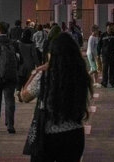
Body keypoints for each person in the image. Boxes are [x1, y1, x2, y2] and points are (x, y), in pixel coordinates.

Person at [21, 32, 93, 161]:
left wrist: (35, 72)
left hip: (48, 136)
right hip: (74, 134)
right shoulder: (80, 74)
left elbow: (25, 96)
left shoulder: (45, 75)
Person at [17, 29, 40, 102]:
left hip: (21, 64)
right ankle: (24, 94)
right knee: (27, 80)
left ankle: (18, 91)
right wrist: (38, 64)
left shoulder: (19, 42)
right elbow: (34, 55)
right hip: (30, 64)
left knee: (20, 79)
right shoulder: (32, 44)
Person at [98, 23, 114, 88]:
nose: (109, 29)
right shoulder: (103, 35)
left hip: (113, 55)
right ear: (106, 28)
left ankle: (112, 82)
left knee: (113, 69)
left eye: (110, 28)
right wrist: (98, 53)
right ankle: (104, 82)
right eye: (108, 28)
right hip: (105, 55)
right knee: (105, 69)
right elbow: (99, 45)